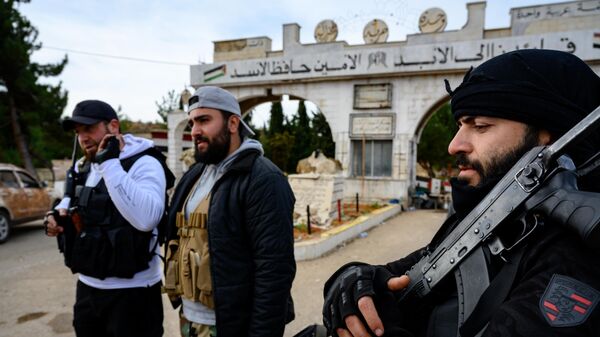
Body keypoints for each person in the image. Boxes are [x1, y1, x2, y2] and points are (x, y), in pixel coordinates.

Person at [322, 49, 600, 337]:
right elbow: (413, 270)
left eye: (480, 126)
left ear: (550, 138)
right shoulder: (498, 215)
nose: (454, 145)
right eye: (460, 125)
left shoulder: (579, 256)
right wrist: (353, 281)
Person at [164, 86, 296, 337]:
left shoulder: (263, 179)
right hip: (189, 319)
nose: (195, 131)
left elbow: (274, 271)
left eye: (204, 120)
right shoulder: (195, 174)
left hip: (230, 325)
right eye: (192, 122)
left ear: (233, 123)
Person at [45, 100, 174, 337]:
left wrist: (110, 163)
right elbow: (71, 202)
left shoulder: (144, 162)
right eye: (78, 132)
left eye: (89, 129)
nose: (83, 138)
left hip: (133, 294)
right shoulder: (85, 167)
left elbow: (146, 219)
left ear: (113, 126)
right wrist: (54, 218)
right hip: (88, 289)